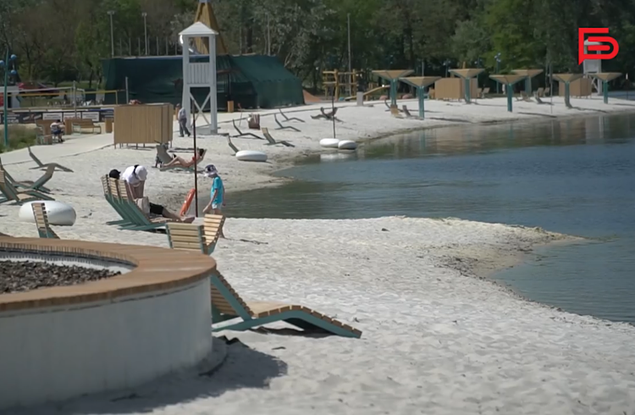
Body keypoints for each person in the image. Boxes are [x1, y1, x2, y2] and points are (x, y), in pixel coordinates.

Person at [108, 166, 194, 223]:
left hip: (132, 209)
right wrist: (144, 205)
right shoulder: (128, 181)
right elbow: (135, 198)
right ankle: (181, 220)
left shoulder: (118, 186)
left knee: (158, 209)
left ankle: (180, 219)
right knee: (162, 209)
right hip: (139, 209)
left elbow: (134, 197)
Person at [202, 164, 225, 238]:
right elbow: (223, 189)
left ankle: (219, 233)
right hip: (217, 201)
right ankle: (218, 232)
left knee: (217, 217)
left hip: (216, 201)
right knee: (216, 216)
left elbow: (216, 191)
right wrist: (223, 199)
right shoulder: (218, 179)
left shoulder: (216, 180)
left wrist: (210, 203)